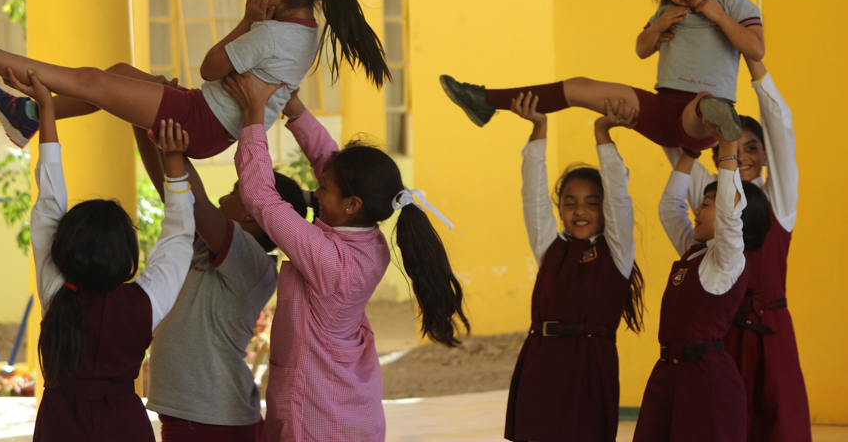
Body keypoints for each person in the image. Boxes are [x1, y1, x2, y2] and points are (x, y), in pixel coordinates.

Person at [0, 0, 389, 158]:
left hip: (201, 121)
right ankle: (27, 117)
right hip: (207, 115)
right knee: (119, 72)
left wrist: (248, 20)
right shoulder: (302, 31)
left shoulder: (271, 32)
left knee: (92, 81)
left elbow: (210, 66)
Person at [221, 72, 470, 442]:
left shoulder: (330, 261)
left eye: (324, 188)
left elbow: (261, 197)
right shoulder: (369, 240)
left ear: (353, 205)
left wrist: (253, 113)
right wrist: (296, 110)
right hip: (342, 404)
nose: (316, 193)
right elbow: (330, 161)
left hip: (319, 414)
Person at [439, 0, 765, 148]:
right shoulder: (670, 9)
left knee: (707, 102)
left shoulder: (735, 5)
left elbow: (756, 49)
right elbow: (641, 49)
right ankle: (485, 101)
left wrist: (719, 17)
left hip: (701, 121)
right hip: (660, 106)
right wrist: (656, 29)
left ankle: (722, 123)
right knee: (579, 86)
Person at [18, 66, 196, 442]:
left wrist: (47, 111)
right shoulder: (144, 302)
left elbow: (50, 199)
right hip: (125, 428)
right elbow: (180, 235)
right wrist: (174, 161)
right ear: (125, 256)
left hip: (60, 428)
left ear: (65, 246)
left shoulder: (58, 291)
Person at [664, 58, 811, 442]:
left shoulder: (779, 201)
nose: (742, 154)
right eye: (734, 146)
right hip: (720, 336)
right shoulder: (710, 199)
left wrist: (756, 67)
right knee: (722, 427)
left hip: (772, 334)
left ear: (765, 156)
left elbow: (781, 131)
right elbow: (675, 143)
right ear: (716, 155)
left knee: (781, 425)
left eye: (753, 147)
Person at [133, 125, 307, 442]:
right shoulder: (203, 244)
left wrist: (167, 137)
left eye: (233, 190)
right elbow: (173, 191)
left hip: (214, 417)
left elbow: (194, 200)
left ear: (253, 214)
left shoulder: (251, 261)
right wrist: (142, 123)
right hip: (198, 413)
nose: (222, 197)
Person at [505, 94, 645, 442]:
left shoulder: (617, 251)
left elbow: (619, 196)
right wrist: (539, 128)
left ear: (605, 209)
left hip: (589, 367)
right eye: (570, 203)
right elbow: (532, 194)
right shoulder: (550, 248)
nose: (579, 211)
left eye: (591, 203)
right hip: (540, 364)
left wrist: (602, 134)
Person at [633, 121, 772, 442]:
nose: (696, 209)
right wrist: (689, 154)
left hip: (705, 383)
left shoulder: (727, 260)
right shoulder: (694, 253)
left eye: (706, 204)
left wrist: (727, 149)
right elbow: (670, 208)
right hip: (669, 375)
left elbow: (728, 215)